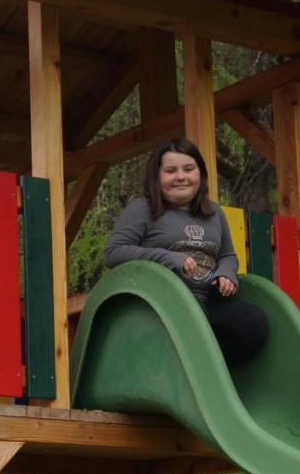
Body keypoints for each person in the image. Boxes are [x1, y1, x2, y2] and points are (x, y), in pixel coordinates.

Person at [104, 137, 269, 366]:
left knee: (253, 323)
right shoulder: (142, 209)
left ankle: (211, 375)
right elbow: (113, 252)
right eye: (171, 171)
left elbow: (227, 255)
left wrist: (226, 273)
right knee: (190, 323)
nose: (181, 176)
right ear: (157, 177)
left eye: (188, 169)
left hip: (207, 302)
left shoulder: (214, 212)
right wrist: (168, 258)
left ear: (200, 174)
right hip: (161, 306)